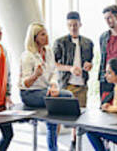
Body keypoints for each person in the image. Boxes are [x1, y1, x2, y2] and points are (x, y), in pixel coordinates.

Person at [19, 22, 72, 151]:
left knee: (53, 114)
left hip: (44, 90)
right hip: (29, 93)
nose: (47, 36)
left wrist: (54, 86)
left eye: (46, 33)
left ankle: (52, 148)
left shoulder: (48, 52)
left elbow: (53, 72)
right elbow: (24, 83)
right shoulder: (28, 56)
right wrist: (35, 75)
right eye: (43, 34)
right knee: (67, 96)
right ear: (35, 38)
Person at [53, 11, 94, 151]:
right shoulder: (60, 42)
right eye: (70, 25)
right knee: (59, 116)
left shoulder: (88, 43)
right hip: (66, 84)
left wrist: (89, 65)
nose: (73, 28)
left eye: (75, 25)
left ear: (80, 24)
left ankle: (74, 143)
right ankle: (54, 144)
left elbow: (89, 62)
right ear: (66, 25)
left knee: (79, 117)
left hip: (82, 85)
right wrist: (70, 68)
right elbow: (54, 64)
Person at [0, 24, 14, 151]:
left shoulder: (3, 50)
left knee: (8, 134)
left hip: (1, 103)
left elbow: (7, 74)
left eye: (0, 31)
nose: (0, 34)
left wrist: (8, 94)